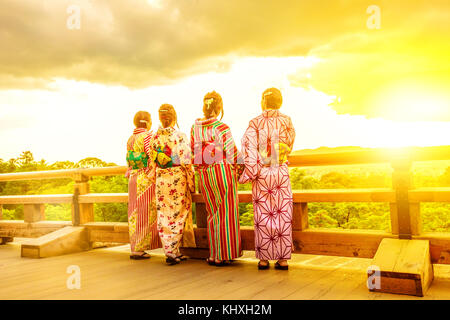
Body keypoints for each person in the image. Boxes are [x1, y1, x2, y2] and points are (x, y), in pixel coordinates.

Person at [239, 88, 296, 270]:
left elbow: (248, 147)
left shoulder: (254, 123)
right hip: (280, 170)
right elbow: (290, 143)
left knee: (263, 215)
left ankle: (263, 259)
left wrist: (251, 171)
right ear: (280, 102)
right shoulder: (286, 120)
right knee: (282, 213)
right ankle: (282, 259)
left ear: (263, 102)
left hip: (262, 172)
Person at [190, 91, 243, 266]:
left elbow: (194, 153)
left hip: (205, 173)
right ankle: (222, 254)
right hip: (221, 171)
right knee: (226, 212)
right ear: (219, 107)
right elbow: (233, 152)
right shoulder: (221, 127)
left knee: (212, 213)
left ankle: (213, 254)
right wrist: (241, 166)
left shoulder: (195, 128)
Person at [152, 104, 196, 265]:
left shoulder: (154, 138)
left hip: (161, 178)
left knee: (163, 214)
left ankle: (171, 250)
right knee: (178, 214)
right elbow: (185, 161)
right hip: (177, 178)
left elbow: (152, 162)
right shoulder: (179, 136)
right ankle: (172, 250)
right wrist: (191, 181)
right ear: (174, 117)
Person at [125, 111, 161, 259]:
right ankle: (140, 248)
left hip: (133, 177)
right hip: (144, 178)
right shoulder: (147, 136)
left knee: (134, 213)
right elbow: (152, 155)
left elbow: (129, 159)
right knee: (145, 213)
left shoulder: (131, 138)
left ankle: (134, 247)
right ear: (147, 122)